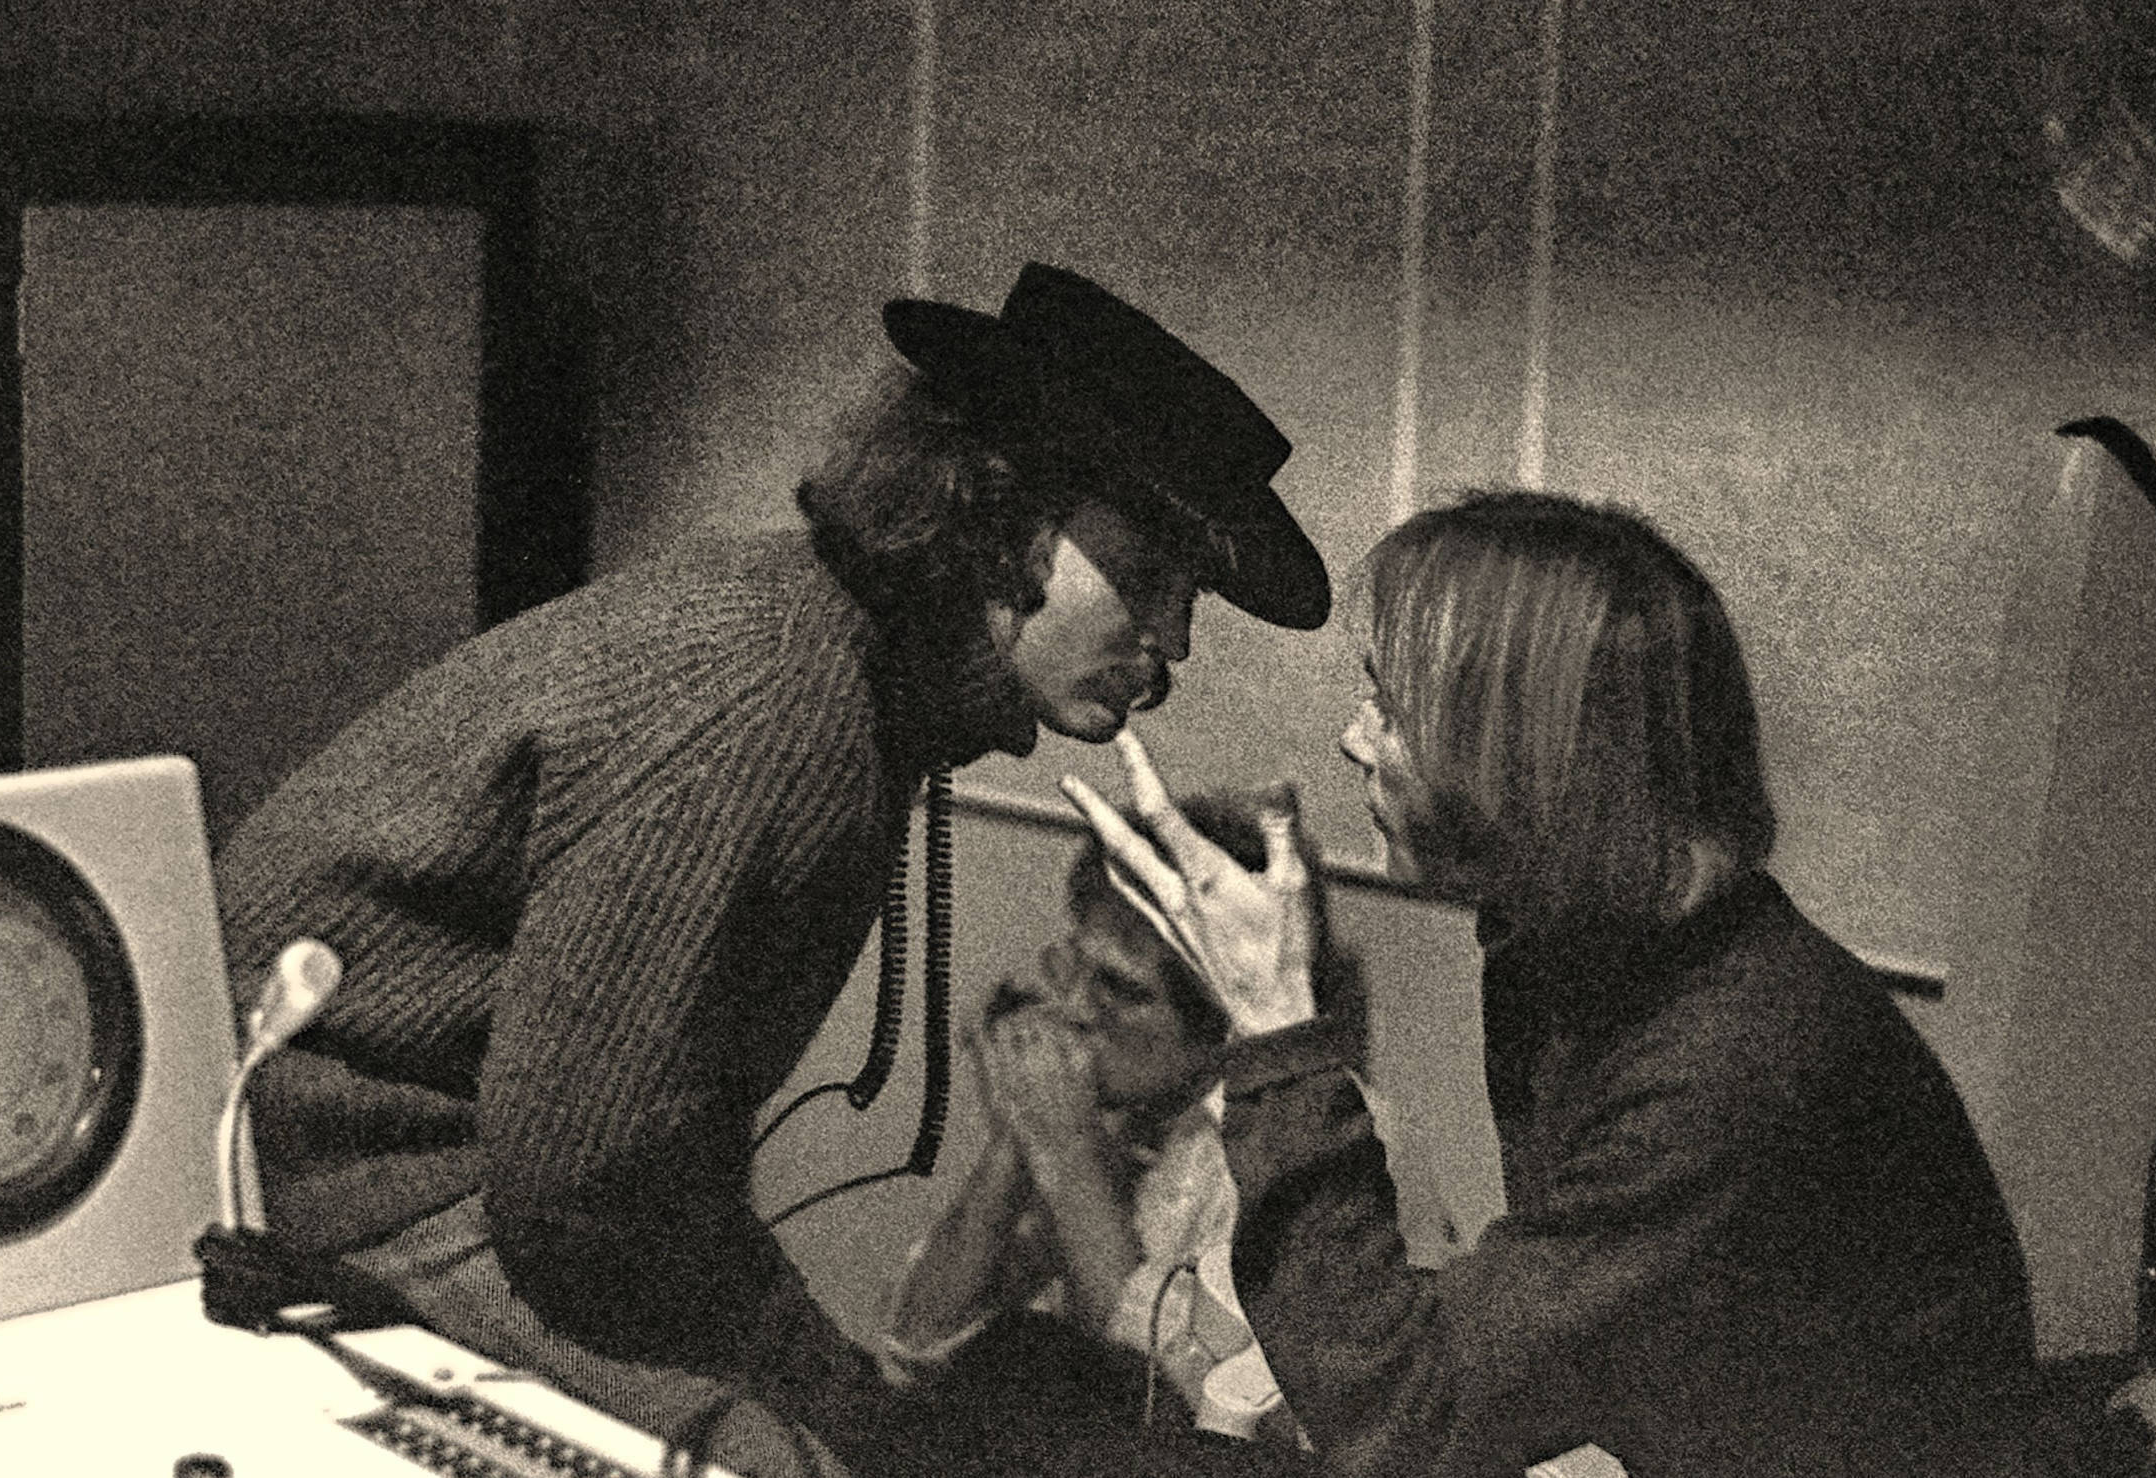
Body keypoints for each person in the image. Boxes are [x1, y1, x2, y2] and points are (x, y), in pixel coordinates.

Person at [209, 262, 1330, 1475]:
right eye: (1153, 578)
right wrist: (824, 1388)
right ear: (1002, 517)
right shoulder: (776, 703)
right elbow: (586, 1189)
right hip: (357, 1180)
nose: (1171, 643)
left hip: (459, 1175)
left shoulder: (843, 658)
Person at [1064, 489, 2040, 1476]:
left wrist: (1277, 1023)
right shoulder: (1564, 950)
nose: (1354, 739)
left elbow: (1406, 1414)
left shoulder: (1733, 1051)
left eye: (1392, 708)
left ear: (1525, 755)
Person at [879, 792, 1358, 1450]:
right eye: (1074, 969)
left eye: (1122, 990)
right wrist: (1016, 1147)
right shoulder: (1121, 1115)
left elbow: (1184, 1427)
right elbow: (913, 1346)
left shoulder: (1292, 1151)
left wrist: (1068, 1155)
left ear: (1229, 1020)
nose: (1072, 1007)